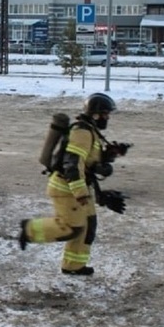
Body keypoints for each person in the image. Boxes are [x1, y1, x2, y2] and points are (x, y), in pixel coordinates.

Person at [18, 93, 125, 276]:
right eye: (105, 114)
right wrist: (81, 194)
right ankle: (29, 230)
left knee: (87, 227)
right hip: (67, 189)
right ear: (95, 114)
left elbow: (87, 159)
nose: (107, 118)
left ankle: (73, 266)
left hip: (81, 186)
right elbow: (73, 163)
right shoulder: (82, 132)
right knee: (71, 228)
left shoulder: (90, 130)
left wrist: (108, 155)